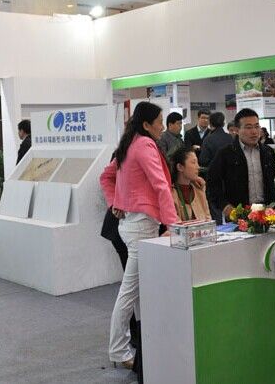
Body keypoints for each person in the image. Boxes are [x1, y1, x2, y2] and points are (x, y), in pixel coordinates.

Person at [99, 102, 179, 371]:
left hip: (135, 225)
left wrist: (115, 201)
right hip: (141, 226)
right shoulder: (144, 145)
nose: (162, 126)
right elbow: (160, 186)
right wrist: (173, 225)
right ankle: (119, 350)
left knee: (141, 291)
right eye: (159, 121)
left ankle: (144, 345)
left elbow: (105, 177)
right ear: (146, 124)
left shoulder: (129, 143)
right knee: (130, 292)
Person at [206, 108, 275, 225]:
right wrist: (225, 206)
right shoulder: (226, 154)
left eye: (257, 126)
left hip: (266, 214)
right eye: (248, 127)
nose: (254, 132)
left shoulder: (268, 152)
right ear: (237, 130)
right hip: (238, 214)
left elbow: (271, 184)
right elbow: (212, 184)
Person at [170, 146, 211, 221]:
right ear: (180, 167)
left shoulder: (199, 188)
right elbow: (174, 223)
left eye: (197, 163)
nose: (198, 167)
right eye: (193, 162)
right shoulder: (170, 193)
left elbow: (208, 218)